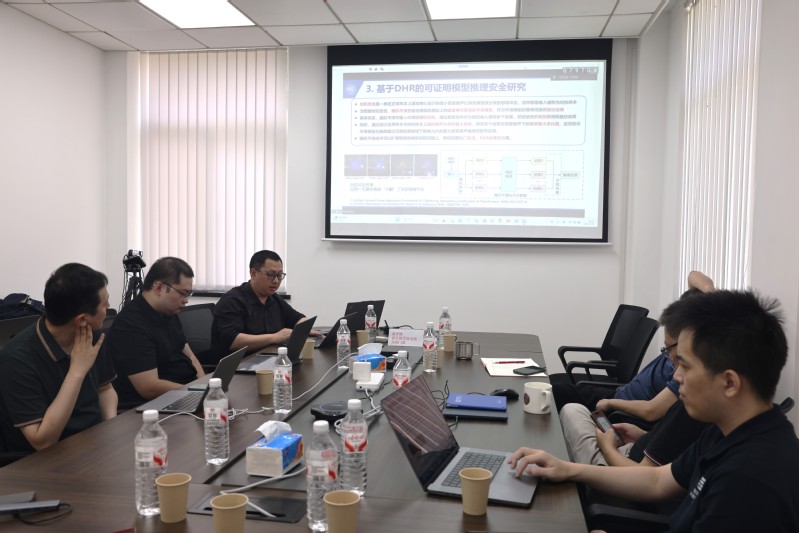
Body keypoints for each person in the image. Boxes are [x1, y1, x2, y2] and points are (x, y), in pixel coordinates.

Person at [510, 290, 799, 532]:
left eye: (685, 367)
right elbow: (657, 480)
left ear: (729, 383)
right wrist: (567, 468)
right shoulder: (725, 431)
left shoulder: (750, 481)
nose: (676, 377)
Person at [561, 295, 709, 468]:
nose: (676, 376)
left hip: (620, 466)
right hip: (631, 447)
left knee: (570, 409)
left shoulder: (691, 408)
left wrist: (607, 448)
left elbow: (648, 478)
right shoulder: (690, 404)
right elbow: (667, 448)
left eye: (684, 363)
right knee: (572, 407)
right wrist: (643, 435)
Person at [0, 263, 117, 453]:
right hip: (42, 461)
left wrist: (112, 428)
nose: (109, 307)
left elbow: (106, 389)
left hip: (93, 443)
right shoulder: (16, 360)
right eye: (104, 304)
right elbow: (43, 442)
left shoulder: (90, 335)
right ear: (82, 319)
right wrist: (76, 372)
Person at [109, 257, 204, 410]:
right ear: (159, 288)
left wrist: (204, 386)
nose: (186, 300)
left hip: (184, 393)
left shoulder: (168, 312)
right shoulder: (130, 325)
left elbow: (189, 355)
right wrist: (195, 392)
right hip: (152, 406)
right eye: (183, 293)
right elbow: (148, 387)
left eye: (189, 294)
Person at [210, 250, 321, 362]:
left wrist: (304, 329)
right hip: (239, 365)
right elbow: (233, 341)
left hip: (268, 359)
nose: (276, 281)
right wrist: (274, 337)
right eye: (271, 275)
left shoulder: (274, 298)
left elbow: (297, 318)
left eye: (279, 275)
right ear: (253, 273)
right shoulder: (232, 300)